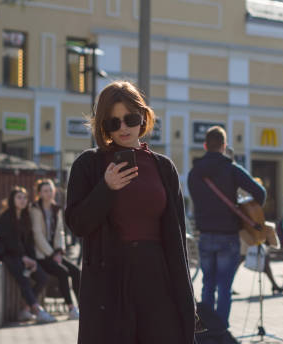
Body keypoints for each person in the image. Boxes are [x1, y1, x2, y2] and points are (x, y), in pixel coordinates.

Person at [64, 81, 195, 344]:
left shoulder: (163, 168)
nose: (123, 128)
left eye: (130, 119)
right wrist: (106, 188)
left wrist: (186, 299)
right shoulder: (88, 165)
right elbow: (77, 224)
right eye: (113, 122)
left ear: (143, 118)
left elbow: (177, 236)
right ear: (103, 126)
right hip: (109, 281)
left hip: (157, 277)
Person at [188, 125, 266, 328]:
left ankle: (205, 329)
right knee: (224, 287)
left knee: (207, 284)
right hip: (228, 235)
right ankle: (220, 330)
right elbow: (260, 193)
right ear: (224, 146)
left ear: (205, 145)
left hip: (204, 235)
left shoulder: (194, 173)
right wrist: (243, 206)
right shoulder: (231, 169)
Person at [0, 186, 56, 323]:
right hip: (9, 256)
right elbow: (8, 242)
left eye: (24, 198)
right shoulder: (6, 217)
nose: (23, 201)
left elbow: (29, 243)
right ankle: (37, 310)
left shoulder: (25, 217)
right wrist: (23, 258)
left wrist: (33, 260)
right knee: (23, 279)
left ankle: (26, 310)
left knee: (42, 277)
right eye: (19, 197)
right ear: (12, 199)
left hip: (25, 257)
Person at [30, 178, 80, 320]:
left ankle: (81, 306)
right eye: (45, 190)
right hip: (42, 255)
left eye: (51, 190)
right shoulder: (35, 209)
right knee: (63, 272)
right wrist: (52, 254)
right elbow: (37, 235)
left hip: (54, 253)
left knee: (76, 271)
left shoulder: (56, 209)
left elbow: (60, 232)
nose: (49, 193)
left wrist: (59, 250)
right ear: (39, 193)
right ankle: (71, 308)